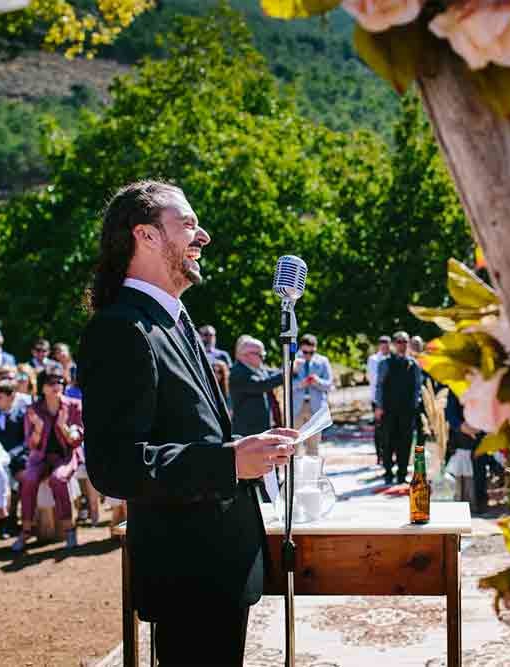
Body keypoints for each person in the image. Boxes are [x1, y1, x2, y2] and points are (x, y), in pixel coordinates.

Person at [79, 180, 298, 664]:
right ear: (147, 236)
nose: (204, 236)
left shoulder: (173, 320)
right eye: (189, 224)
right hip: (187, 576)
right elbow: (114, 465)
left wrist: (246, 448)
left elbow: (190, 433)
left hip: (218, 569)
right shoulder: (121, 329)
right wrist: (228, 462)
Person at [17, 370, 83, 551]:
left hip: (66, 456)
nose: (57, 386)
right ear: (43, 387)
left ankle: (69, 530)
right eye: (51, 383)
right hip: (41, 458)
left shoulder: (74, 405)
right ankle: (26, 530)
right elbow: (31, 445)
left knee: (58, 479)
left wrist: (63, 427)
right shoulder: (34, 409)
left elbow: (77, 440)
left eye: (60, 382)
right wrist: (38, 428)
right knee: (29, 479)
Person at [374, 331, 425, 486]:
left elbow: (418, 386)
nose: (402, 345)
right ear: (394, 344)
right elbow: (379, 386)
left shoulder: (413, 364)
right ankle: (388, 472)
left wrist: (416, 404)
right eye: (399, 341)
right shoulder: (385, 363)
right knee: (388, 441)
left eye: (404, 342)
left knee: (406, 442)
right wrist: (379, 406)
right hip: (389, 409)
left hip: (407, 410)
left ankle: (402, 474)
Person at [228, 336, 287, 439]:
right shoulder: (238, 372)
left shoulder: (256, 369)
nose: (263, 358)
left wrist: (287, 368)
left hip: (259, 428)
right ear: (246, 355)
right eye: (260, 355)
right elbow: (261, 385)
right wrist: (286, 373)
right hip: (247, 431)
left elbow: (272, 374)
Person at [291, 334, 333, 456]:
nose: (308, 355)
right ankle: (296, 474)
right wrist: (300, 384)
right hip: (296, 407)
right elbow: (285, 383)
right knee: (294, 445)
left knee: (313, 446)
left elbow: (329, 384)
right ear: (300, 348)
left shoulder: (323, 361)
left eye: (311, 352)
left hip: (316, 407)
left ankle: (311, 474)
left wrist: (317, 381)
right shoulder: (292, 360)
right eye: (305, 352)